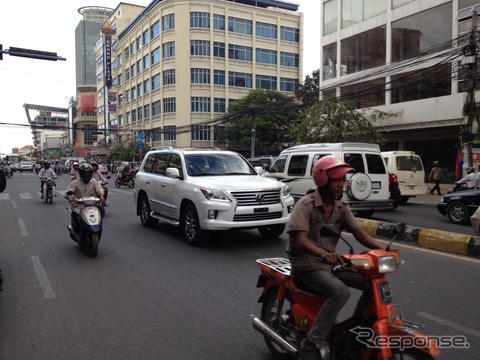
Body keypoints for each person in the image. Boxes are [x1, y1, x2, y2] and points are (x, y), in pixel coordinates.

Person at [286, 155, 385, 358]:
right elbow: (300, 240)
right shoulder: (305, 205)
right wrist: (323, 253)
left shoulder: (342, 208)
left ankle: (353, 332)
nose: (342, 185)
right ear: (323, 180)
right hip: (306, 264)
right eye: (336, 180)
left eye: (343, 180)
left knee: (372, 282)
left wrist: (383, 250)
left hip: (331, 263)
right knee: (340, 293)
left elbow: (359, 233)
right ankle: (310, 342)